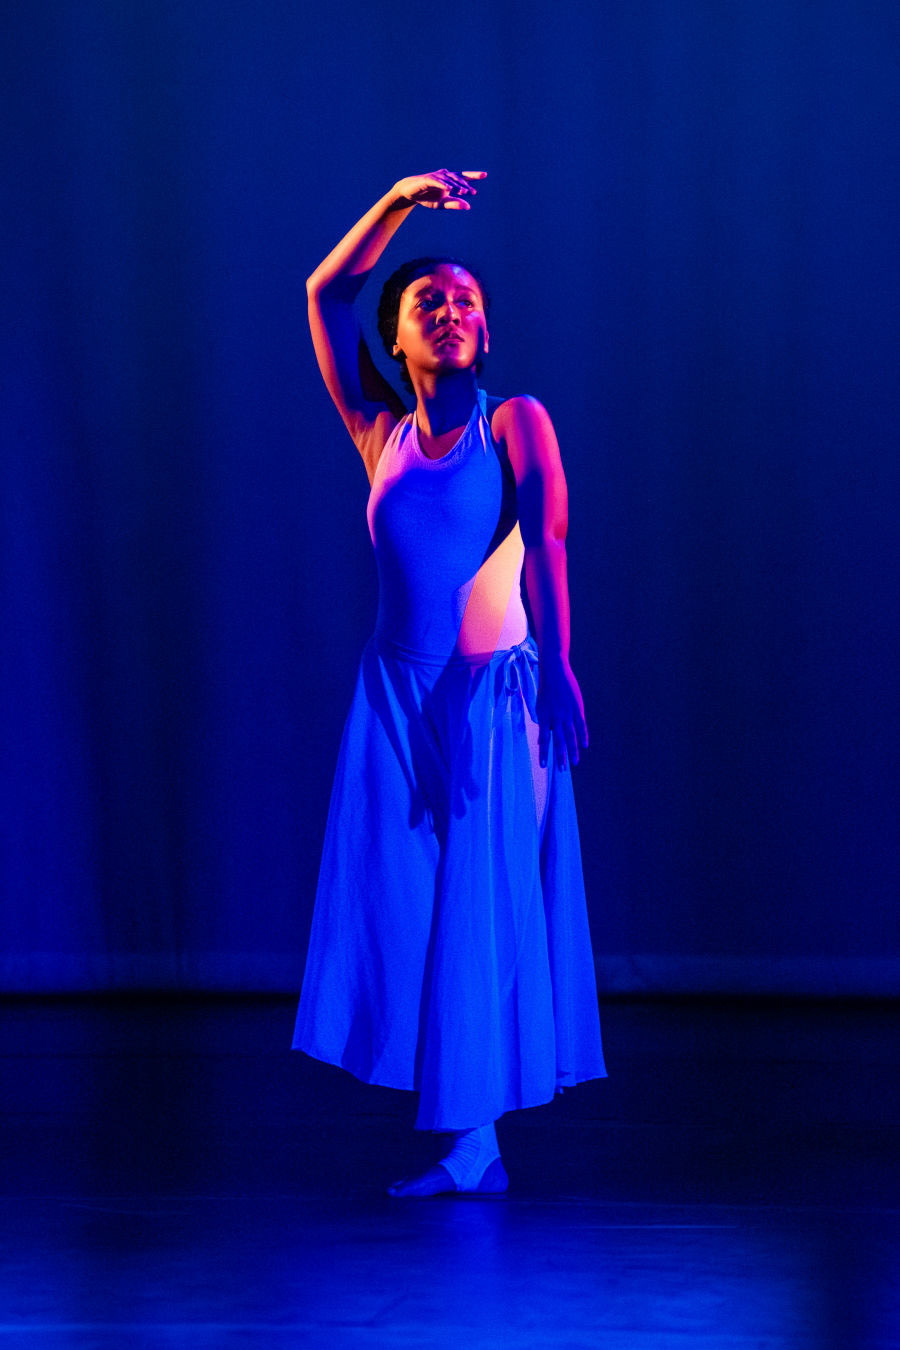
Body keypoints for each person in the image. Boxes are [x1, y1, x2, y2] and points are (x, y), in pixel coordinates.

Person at [292, 169, 606, 1197]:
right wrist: (396, 201)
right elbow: (325, 294)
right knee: (406, 902)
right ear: (397, 337)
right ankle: (472, 1137)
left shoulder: (515, 421)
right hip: (393, 695)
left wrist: (560, 663)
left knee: (481, 901)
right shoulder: (379, 434)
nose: (452, 310)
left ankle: (477, 1143)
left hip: (492, 697)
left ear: (487, 329)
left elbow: (549, 538)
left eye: (468, 299)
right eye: (429, 300)